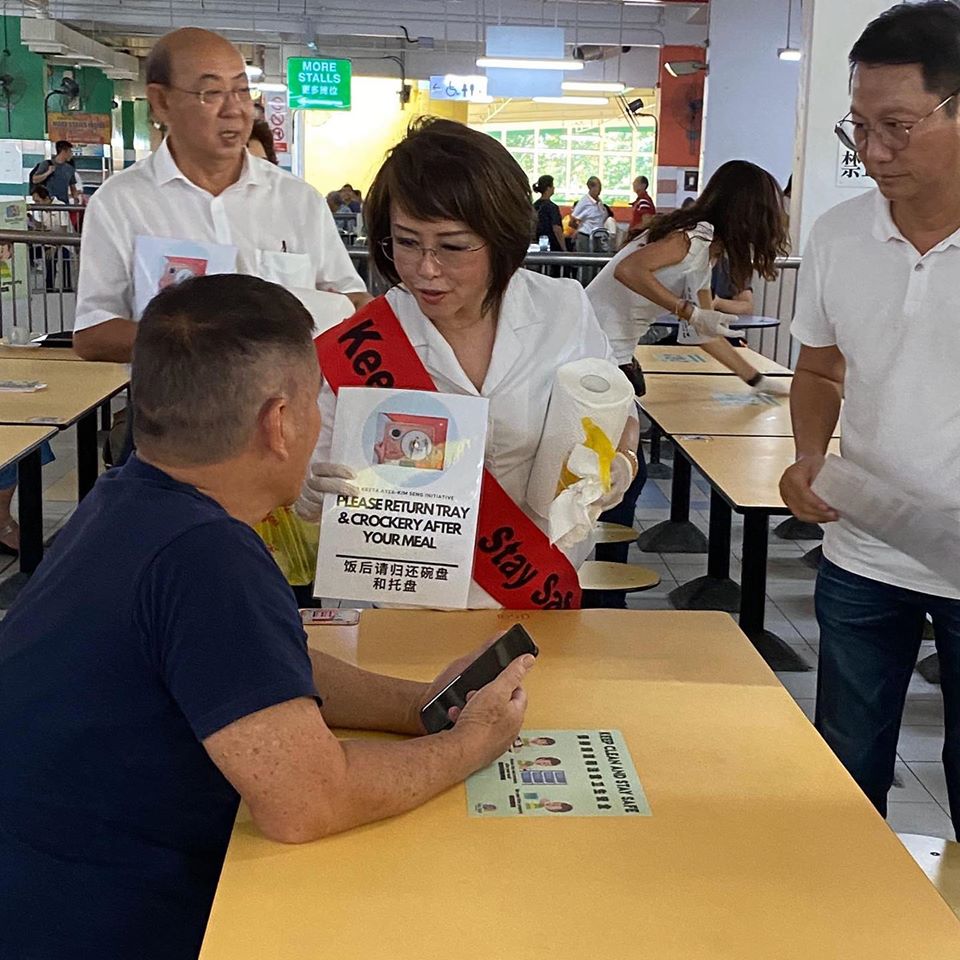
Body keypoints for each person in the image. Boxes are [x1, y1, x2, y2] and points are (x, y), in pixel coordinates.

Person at [0, 273, 534, 960]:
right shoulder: (206, 555)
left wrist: (419, 706)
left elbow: (262, 669)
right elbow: (307, 804)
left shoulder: (126, 501)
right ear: (279, 423)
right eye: (316, 402)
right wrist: (470, 745)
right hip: (106, 922)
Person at [297, 118, 640, 610]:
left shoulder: (561, 310)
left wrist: (618, 465)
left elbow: (616, 416)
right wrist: (309, 492)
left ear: (501, 238)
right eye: (406, 242)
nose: (425, 268)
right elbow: (308, 475)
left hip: (531, 594)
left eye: (453, 246)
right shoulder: (362, 343)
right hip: (394, 607)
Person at [779, 0, 960, 835]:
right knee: (847, 768)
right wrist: (807, 455)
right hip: (865, 548)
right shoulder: (839, 235)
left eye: (898, 127)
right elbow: (819, 368)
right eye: (859, 127)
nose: (874, 152)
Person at [72, 27, 371, 365]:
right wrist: (203, 337)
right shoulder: (120, 203)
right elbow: (93, 334)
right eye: (211, 92)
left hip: (286, 396)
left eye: (242, 90)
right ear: (161, 101)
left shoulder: (298, 200)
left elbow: (353, 302)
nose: (235, 109)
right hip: (174, 398)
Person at [586, 160, 791, 393]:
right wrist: (687, 311)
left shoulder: (705, 250)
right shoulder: (693, 237)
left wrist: (756, 380)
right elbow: (629, 270)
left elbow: (703, 333)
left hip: (611, 347)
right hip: (595, 345)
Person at [29, 140, 80, 205]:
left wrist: (76, 199)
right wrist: (48, 172)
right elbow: (35, 180)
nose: (71, 154)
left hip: (63, 204)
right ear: (63, 151)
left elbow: (73, 186)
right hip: (48, 204)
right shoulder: (46, 164)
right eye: (70, 151)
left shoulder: (70, 169)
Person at [569, 176, 607, 252]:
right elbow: (572, 220)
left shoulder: (599, 201)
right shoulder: (584, 202)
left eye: (600, 187)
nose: (600, 190)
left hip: (598, 236)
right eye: (598, 187)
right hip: (586, 236)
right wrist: (580, 229)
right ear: (590, 187)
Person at [532, 174, 565, 252]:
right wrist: (564, 248)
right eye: (552, 186)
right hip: (552, 244)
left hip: (537, 243)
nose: (554, 188)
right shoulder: (552, 207)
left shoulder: (534, 205)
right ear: (548, 188)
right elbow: (556, 228)